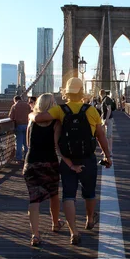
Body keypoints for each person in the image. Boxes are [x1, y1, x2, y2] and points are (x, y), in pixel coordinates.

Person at [30, 78, 112, 246]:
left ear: (66, 93)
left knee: (69, 196)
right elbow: (101, 136)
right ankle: (89, 219)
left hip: (67, 159)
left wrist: (30, 113)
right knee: (89, 193)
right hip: (87, 158)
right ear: (82, 93)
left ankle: (73, 231)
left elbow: (38, 118)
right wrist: (107, 156)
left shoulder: (59, 110)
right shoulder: (91, 111)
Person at [23, 93, 64, 247]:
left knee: (34, 200)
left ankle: (35, 235)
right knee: (53, 194)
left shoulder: (31, 120)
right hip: (50, 163)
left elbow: (28, 143)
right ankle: (55, 223)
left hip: (32, 162)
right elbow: (57, 145)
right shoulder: (56, 123)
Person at [8, 96, 31, 163]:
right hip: (27, 125)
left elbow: (11, 117)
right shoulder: (27, 105)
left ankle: (19, 158)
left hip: (19, 125)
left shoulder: (14, 106)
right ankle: (27, 157)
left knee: (19, 143)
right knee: (26, 142)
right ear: (21, 99)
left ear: (15, 100)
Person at [99, 89, 115, 157]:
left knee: (109, 135)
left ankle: (110, 151)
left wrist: (107, 119)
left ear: (100, 94)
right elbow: (104, 112)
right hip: (104, 119)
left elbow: (109, 109)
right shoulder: (104, 100)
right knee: (103, 136)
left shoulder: (107, 99)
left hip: (108, 119)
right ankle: (104, 150)